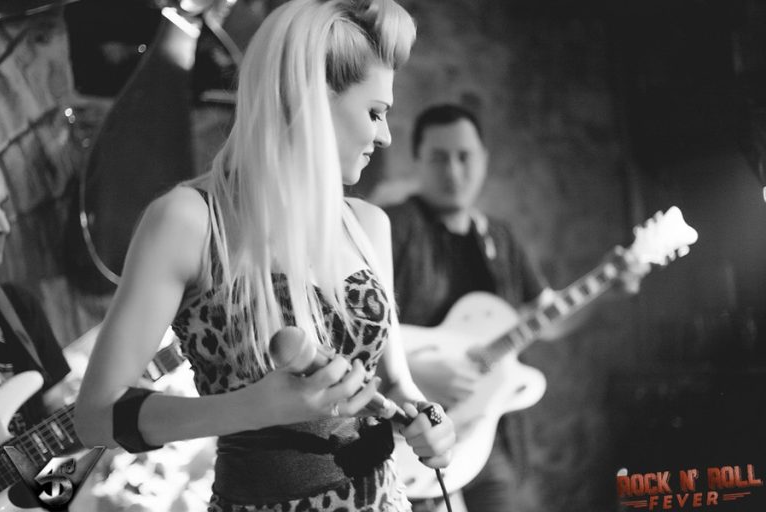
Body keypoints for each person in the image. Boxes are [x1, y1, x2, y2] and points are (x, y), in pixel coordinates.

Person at [74, 1, 455, 511]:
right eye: (375, 112)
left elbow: (391, 382)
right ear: (311, 99)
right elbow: (96, 415)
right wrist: (250, 408)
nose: (384, 136)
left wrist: (427, 420)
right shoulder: (189, 221)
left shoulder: (368, 225)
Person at [383, 103, 646, 512]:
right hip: (410, 435)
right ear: (417, 159)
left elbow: (547, 319)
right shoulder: (393, 227)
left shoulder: (500, 238)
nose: (453, 171)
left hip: (491, 435)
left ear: (484, 159)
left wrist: (606, 288)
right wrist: (416, 371)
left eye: (464, 156)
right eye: (438, 158)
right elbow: (358, 325)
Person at [0, 172, 70, 442]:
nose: (4, 226)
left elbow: (58, 431)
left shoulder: (18, 306)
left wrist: (112, 414)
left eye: (2, 206)